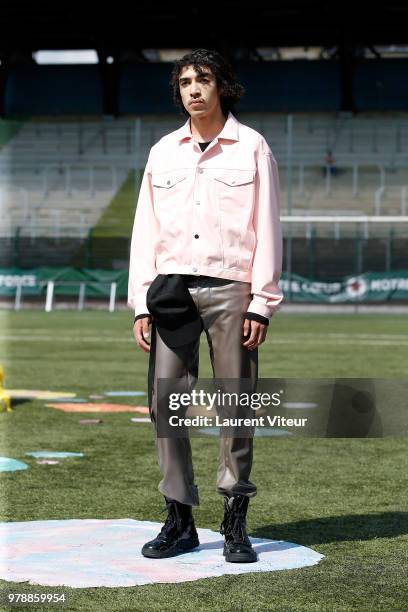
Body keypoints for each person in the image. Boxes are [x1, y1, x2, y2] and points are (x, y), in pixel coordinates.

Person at [127, 48, 283, 563]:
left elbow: (267, 227)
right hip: (170, 294)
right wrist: (140, 302)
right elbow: (144, 231)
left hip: (232, 291)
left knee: (235, 405)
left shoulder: (252, 147)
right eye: (186, 82)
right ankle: (180, 519)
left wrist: (262, 301)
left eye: (204, 80)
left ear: (222, 88)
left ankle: (235, 520)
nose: (194, 89)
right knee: (165, 405)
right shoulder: (161, 152)